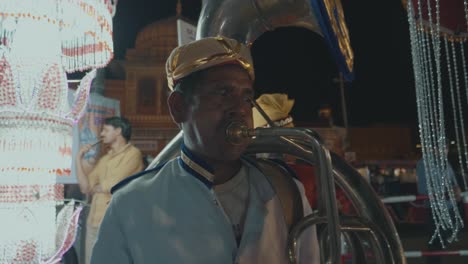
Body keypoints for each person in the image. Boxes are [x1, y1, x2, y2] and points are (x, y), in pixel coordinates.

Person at [90, 36, 320, 263]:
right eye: (223, 93)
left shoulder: (286, 189)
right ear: (178, 107)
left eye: (247, 97)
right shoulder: (131, 204)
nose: (240, 109)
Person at [76, 116, 144, 264]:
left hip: (116, 222)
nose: (101, 134)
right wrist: (78, 159)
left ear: (118, 131)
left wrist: (100, 187)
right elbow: (85, 187)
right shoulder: (104, 159)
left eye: (106, 130)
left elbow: (113, 185)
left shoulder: (133, 154)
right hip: (94, 221)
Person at [416, 143, 462, 264]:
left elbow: (454, 181)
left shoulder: (446, 163)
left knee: (445, 238)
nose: (445, 151)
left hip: (450, 207)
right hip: (435, 209)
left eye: (446, 148)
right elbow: (423, 189)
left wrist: (457, 189)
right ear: (433, 149)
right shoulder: (423, 164)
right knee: (437, 242)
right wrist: (448, 192)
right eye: (441, 148)